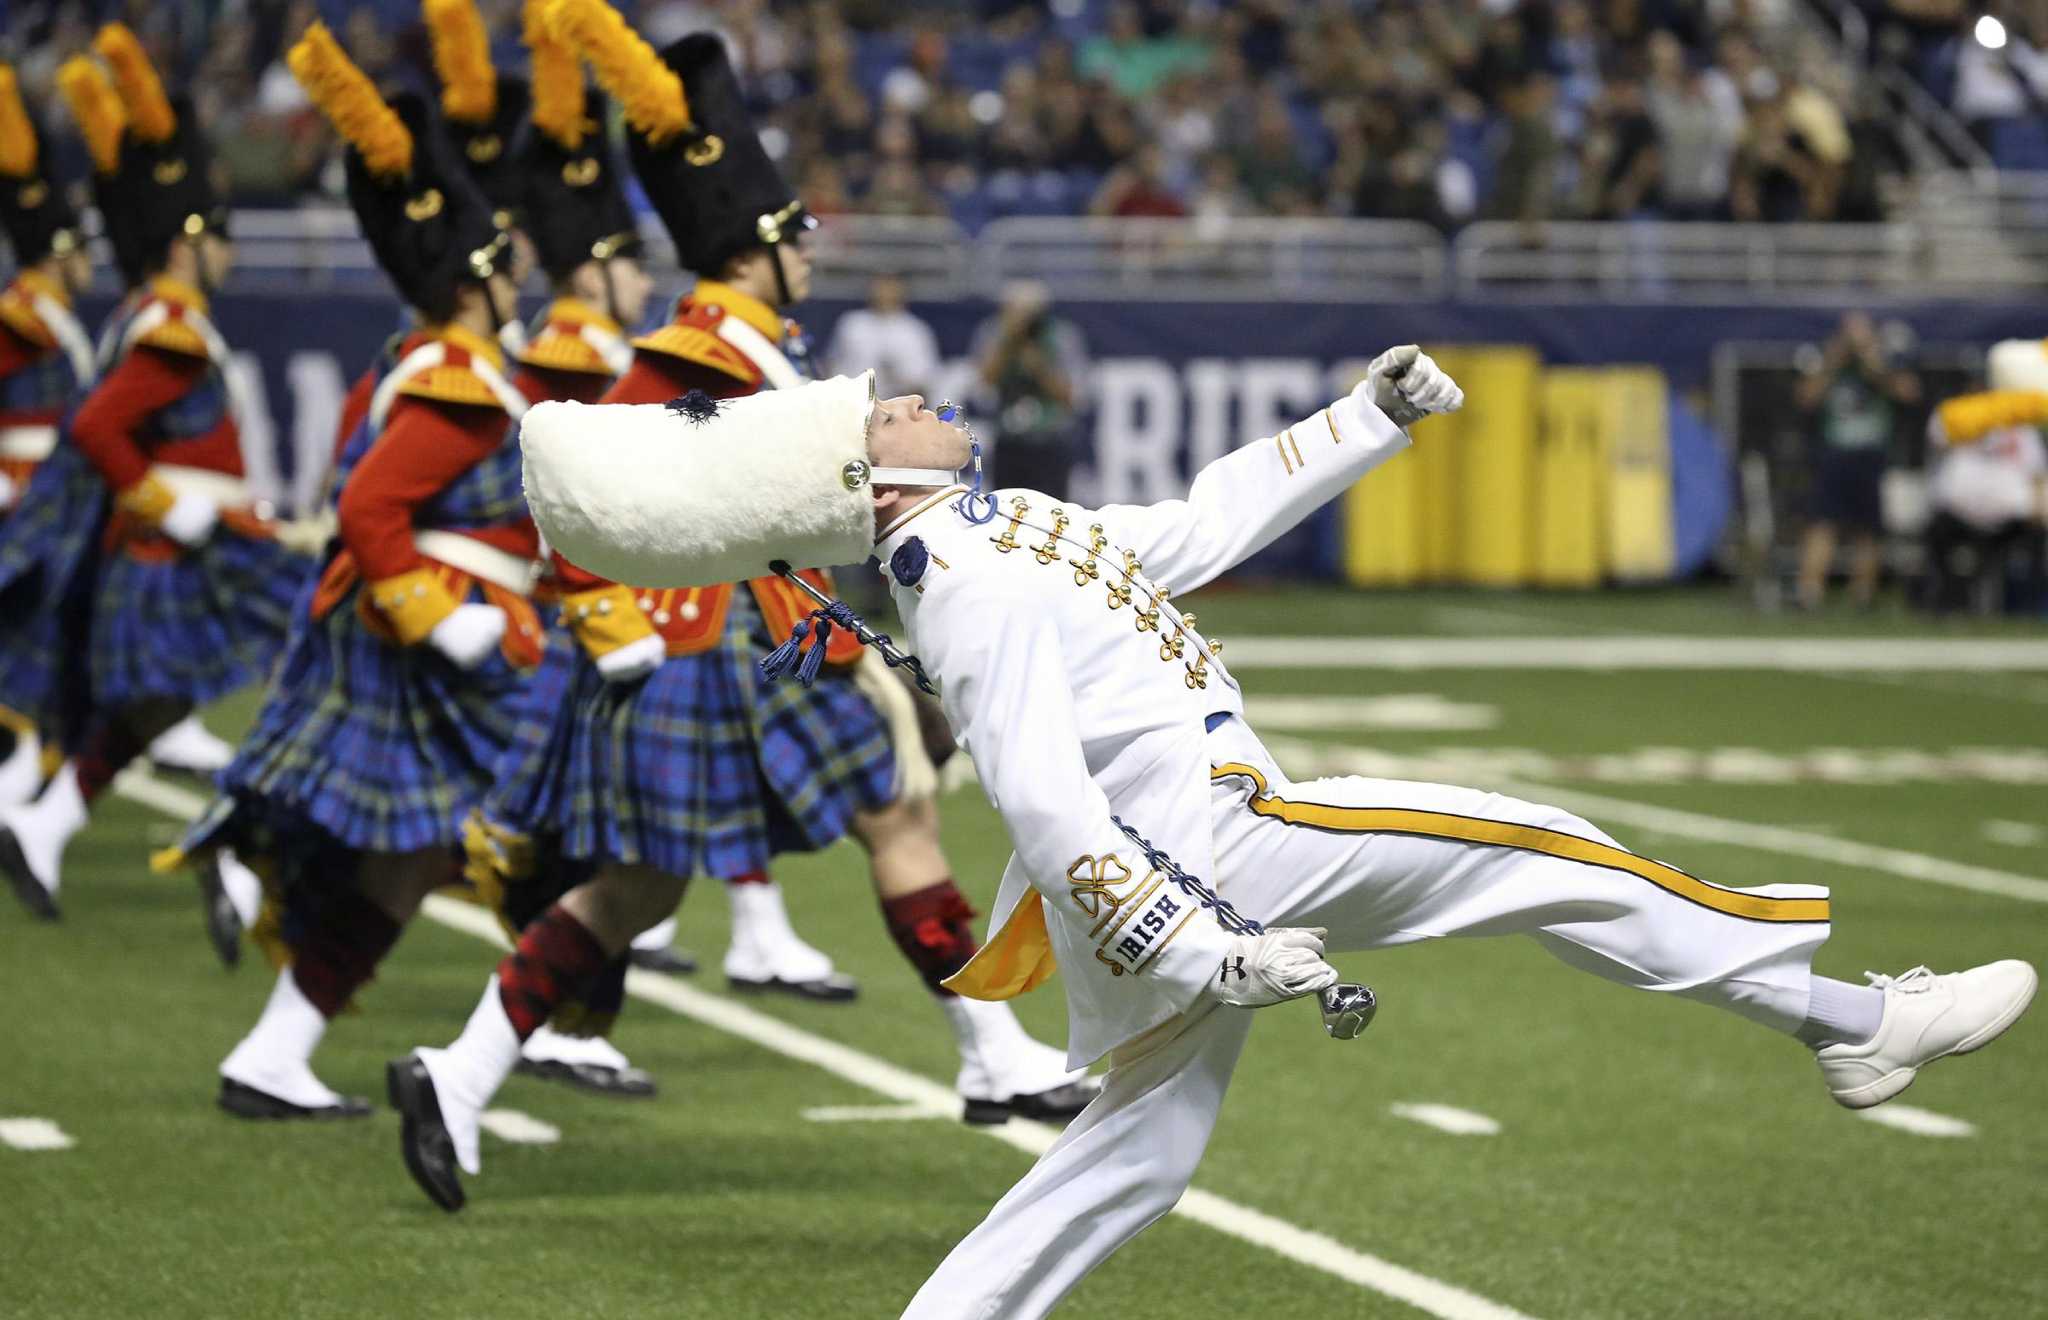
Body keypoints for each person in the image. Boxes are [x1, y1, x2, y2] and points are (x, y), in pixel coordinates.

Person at [518, 352, 2037, 1320]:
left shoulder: (997, 528)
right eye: (886, 408)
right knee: (1540, 845)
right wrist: (1190, 934)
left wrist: (1360, 422)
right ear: (875, 475)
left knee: (1134, 1160)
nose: (908, 391)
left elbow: (1193, 527)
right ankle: (1852, 1021)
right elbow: (1042, 795)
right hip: (1217, 845)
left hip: (1198, 855)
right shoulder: (962, 579)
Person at [386, 4, 1094, 1214]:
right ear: (752, 244)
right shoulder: (700, 351)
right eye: (792, 233)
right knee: (875, 826)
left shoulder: (753, 342)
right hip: (720, 653)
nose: (811, 250)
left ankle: (458, 1075)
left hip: (750, 644)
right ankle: (991, 1058)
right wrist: (614, 619)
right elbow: (588, 479)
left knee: (655, 887)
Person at [162, 22, 540, 1119]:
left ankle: (275, 1051)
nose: (520, 274)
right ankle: (514, 1039)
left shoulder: (423, 362)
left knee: (412, 859)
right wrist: (435, 615)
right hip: (439, 643)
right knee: (566, 841)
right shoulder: (457, 378)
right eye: (505, 260)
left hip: (434, 629)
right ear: (477, 273)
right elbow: (371, 505)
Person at [0, 25, 304, 920]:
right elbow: (97, 427)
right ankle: (245, 860)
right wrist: (161, 501)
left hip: (185, 545)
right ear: (187, 242)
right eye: (219, 238)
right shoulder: (168, 323)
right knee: (302, 676)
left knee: (143, 714)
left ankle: (49, 823)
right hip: (181, 551)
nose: (230, 254)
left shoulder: (154, 314)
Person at [0, 63, 98, 810]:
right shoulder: (23, 316)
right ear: (59, 250)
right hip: (22, 501)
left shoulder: (49, 316)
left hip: (50, 501)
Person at [1792, 311, 1921, 610]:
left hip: (1871, 453)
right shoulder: (1831, 366)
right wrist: (1835, 359)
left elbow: (1907, 393)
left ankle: (1862, 593)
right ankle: (1810, 591)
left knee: (1868, 528)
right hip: (1834, 453)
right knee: (1822, 523)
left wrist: (1869, 357)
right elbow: (1806, 397)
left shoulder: (1882, 363)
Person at [1919, 338, 2048, 614]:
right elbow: (1938, 434)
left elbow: (2037, 471)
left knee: (2038, 538)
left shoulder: (2022, 425)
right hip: (1959, 514)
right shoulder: (1957, 415)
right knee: (1936, 537)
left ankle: (2030, 607)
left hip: (2010, 516)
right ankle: (1947, 604)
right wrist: (1988, 415)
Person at [971, 279, 1087, 499]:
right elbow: (983, 384)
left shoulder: (1061, 336)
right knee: (1005, 508)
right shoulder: (995, 332)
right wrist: (1008, 343)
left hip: (1050, 438)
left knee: (1053, 509)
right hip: (1009, 439)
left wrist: (1040, 367)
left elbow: (1072, 396)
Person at [824, 272, 941, 398]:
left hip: (893, 405)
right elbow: (830, 364)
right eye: (880, 287)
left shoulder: (915, 331)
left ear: (902, 292)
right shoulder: (852, 323)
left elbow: (924, 382)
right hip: (849, 400)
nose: (884, 293)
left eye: (890, 288)